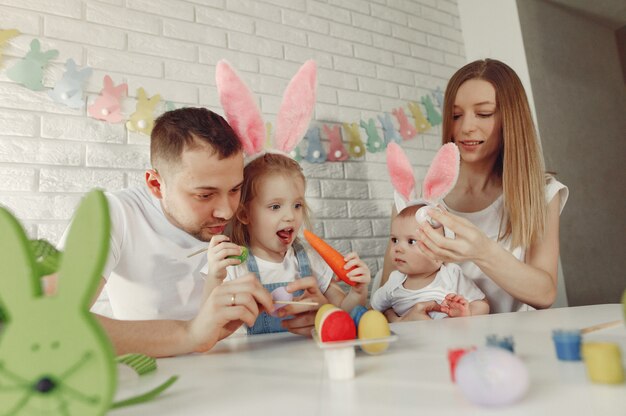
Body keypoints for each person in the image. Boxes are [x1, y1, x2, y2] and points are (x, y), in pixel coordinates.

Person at [57, 108, 319, 358]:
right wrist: (190, 334)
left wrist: (312, 314)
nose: (226, 212)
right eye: (204, 195)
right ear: (156, 184)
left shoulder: (241, 214)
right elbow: (48, 319)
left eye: (235, 189)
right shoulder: (113, 215)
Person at [381, 59, 568, 315]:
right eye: (456, 116)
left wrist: (482, 251)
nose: (466, 127)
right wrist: (403, 323)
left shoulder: (541, 192)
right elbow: (387, 293)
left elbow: (544, 293)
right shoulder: (418, 202)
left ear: (509, 119)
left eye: (483, 113)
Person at [203, 152, 371, 334]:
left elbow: (343, 314)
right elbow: (206, 326)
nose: (290, 216)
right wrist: (214, 276)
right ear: (245, 215)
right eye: (275, 206)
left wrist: (358, 292)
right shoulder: (234, 265)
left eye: (297, 205)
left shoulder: (308, 258)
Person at [372, 204, 488, 321]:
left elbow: (483, 306)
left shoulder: (450, 275)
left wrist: (466, 313)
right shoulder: (394, 281)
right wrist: (394, 319)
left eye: (411, 241)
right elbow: (374, 312)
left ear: (442, 250)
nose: (398, 248)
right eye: (395, 240)